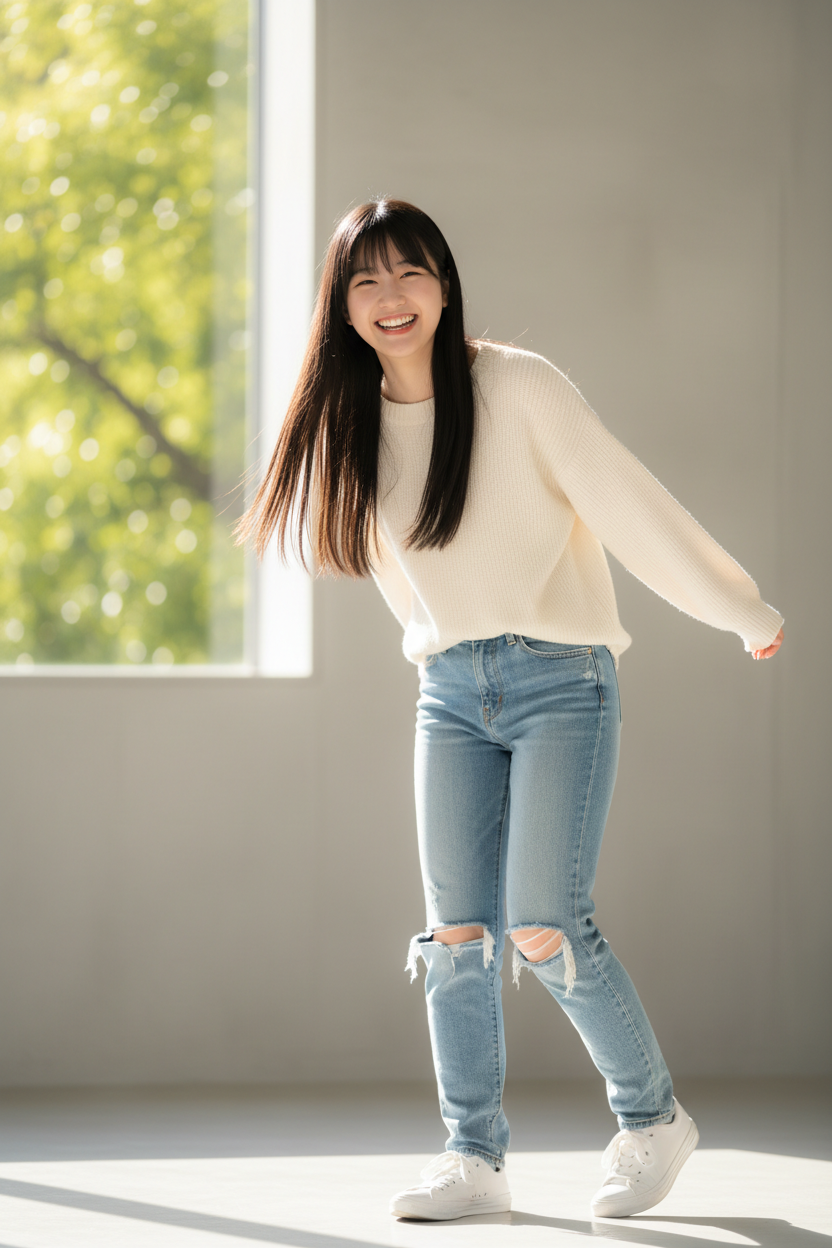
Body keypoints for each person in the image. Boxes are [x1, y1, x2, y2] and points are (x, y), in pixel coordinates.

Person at [236, 198, 784, 1222]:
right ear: (341, 306)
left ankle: (651, 1120)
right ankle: (472, 1158)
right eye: (365, 281)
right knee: (455, 937)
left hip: (561, 680)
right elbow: (402, 576)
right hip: (447, 694)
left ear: (443, 283)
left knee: (543, 923)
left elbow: (626, 500)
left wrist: (734, 607)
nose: (390, 298)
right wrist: (439, 653)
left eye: (409, 274)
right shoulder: (352, 419)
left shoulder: (519, 385)